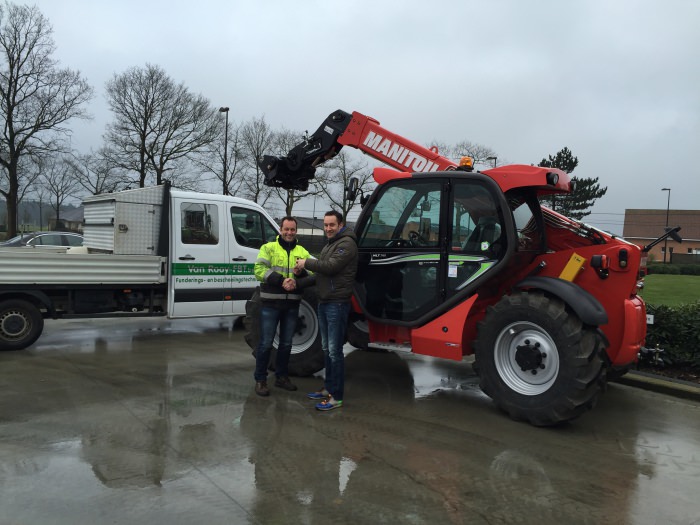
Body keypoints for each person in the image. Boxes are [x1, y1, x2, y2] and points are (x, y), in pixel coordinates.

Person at [295, 210, 358, 411]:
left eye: (332, 225)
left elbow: (329, 267)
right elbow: (321, 274)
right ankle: (328, 388)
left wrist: (306, 262)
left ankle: (336, 396)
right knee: (326, 349)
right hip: (325, 302)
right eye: (326, 225)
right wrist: (298, 282)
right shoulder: (331, 244)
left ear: (340, 225)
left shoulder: (347, 244)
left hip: (337, 304)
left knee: (334, 351)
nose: (328, 228)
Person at [253, 216, 313, 396]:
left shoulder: (302, 251)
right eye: (286, 229)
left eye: (292, 229)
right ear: (280, 230)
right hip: (270, 304)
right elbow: (258, 270)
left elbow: (313, 272)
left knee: (286, 344)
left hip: (292, 305)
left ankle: (281, 377)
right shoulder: (268, 248)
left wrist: (300, 274)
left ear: (296, 231)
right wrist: (281, 280)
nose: (289, 233)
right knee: (265, 344)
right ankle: (260, 380)